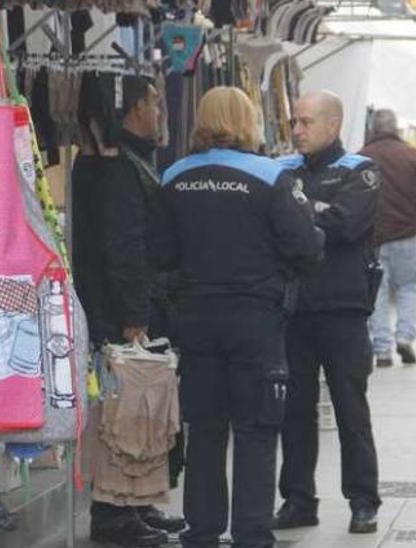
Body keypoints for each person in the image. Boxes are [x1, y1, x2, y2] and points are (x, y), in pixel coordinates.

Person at [153, 87, 324, 548]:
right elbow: (305, 247)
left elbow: (161, 251)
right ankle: (251, 533)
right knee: (256, 428)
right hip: (255, 320)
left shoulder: (173, 176)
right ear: (248, 120)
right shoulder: (270, 176)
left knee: (206, 428)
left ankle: (202, 531)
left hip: (195, 319)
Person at [72, 74, 186, 546]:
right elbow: (124, 247)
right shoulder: (118, 168)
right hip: (120, 312)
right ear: (135, 110)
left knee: (135, 410)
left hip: (119, 306)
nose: (160, 113)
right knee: (123, 413)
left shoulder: (124, 162)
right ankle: (115, 514)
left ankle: (134, 505)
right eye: (155, 104)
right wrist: (134, 314)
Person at [276, 90, 382, 535]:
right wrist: (311, 214)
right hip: (295, 311)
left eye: (306, 122)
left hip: (342, 309)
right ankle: (298, 500)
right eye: (294, 122)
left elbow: (344, 225)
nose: (297, 130)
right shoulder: (282, 171)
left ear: (333, 125)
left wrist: (301, 212)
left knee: (349, 409)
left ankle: (362, 500)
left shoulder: (360, 172)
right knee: (294, 413)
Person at [360, 109, 416, 367]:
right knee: (408, 288)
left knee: (377, 292)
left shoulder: (361, 159)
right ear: (396, 129)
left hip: (373, 240)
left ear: (372, 128)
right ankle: (404, 337)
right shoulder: (414, 157)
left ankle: (382, 349)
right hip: (407, 237)